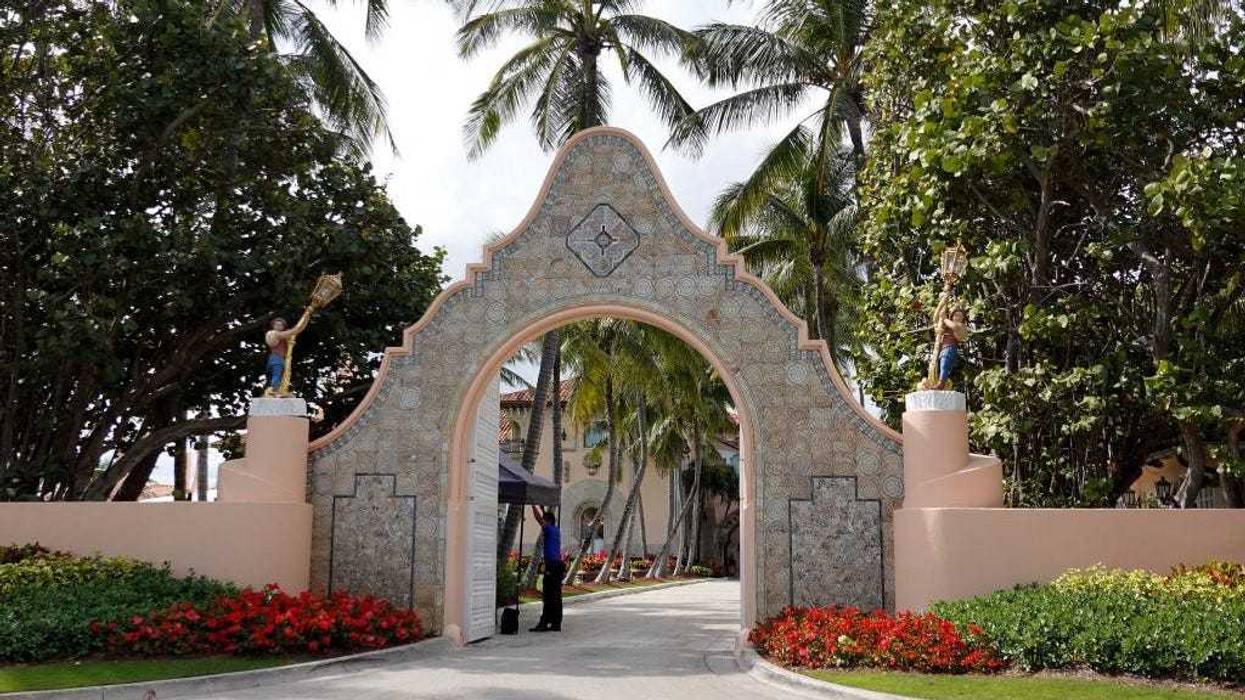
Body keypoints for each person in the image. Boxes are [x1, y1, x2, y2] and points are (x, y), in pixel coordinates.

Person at [530, 505, 563, 632]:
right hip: (558, 565)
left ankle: (544, 623)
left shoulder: (548, 529)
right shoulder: (556, 530)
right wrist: (543, 509)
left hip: (552, 566)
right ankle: (556, 623)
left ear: (547, 521)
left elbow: (539, 519)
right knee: (556, 595)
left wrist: (533, 506)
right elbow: (545, 517)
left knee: (548, 595)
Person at [264, 313, 309, 395]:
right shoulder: (274, 334)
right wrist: (305, 318)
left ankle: (278, 390)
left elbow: (297, 331)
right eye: (277, 324)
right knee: (276, 375)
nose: (278, 326)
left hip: (281, 358)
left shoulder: (282, 335)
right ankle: (274, 390)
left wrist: (306, 318)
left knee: (281, 376)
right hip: (275, 358)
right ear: (273, 326)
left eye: (281, 325)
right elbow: (295, 330)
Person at [935, 306, 968, 389]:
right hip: (942, 348)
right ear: (952, 316)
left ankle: (941, 383)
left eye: (960, 316)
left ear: (963, 318)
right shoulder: (948, 326)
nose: (958, 317)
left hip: (950, 347)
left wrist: (944, 318)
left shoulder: (960, 325)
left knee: (944, 365)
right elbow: (936, 319)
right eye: (956, 315)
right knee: (940, 366)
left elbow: (954, 327)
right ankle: (940, 381)